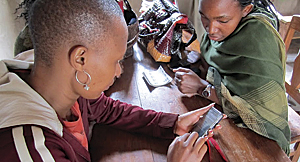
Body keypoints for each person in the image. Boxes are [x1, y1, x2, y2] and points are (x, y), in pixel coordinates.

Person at [0, 0, 223, 161]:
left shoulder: (58, 82)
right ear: (81, 59)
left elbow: (106, 108)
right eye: (116, 60)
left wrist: (173, 123)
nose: (118, 72)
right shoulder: (29, 150)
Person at [174, 0, 291, 154]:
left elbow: (257, 113)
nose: (211, 30)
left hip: (262, 138)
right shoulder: (225, 31)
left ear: (246, 10)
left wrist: (202, 88)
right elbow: (213, 59)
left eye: (222, 20)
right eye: (204, 17)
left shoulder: (258, 39)